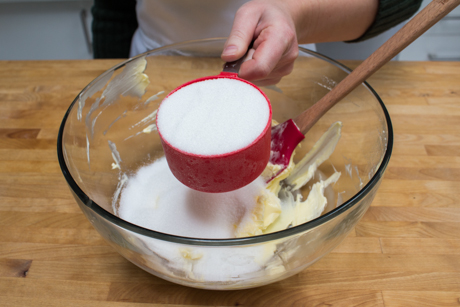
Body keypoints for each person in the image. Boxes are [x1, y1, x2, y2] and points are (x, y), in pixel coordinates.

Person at [92, 0, 422, 85]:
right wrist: (113, 84)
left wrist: (296, 15)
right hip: (153, 72)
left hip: (280, 73)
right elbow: (112, 10)